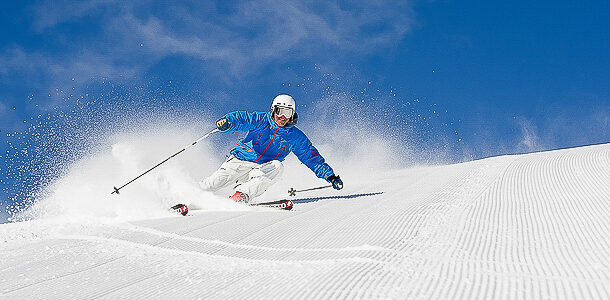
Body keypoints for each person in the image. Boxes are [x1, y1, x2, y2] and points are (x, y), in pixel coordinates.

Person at [200, 94, 343, 203]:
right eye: (279, 111)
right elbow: (243, 118)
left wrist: (330, 176)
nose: (282, 116)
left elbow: (311, 157)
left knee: (277, 166)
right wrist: (229, 122)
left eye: (287, 113)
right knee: (213, 183)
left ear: (292, 114)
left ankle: (241, 195)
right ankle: (186, 196)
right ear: (273, 110)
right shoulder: (261, 120)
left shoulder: (295, 137)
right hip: (240, 161)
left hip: (261, 169)